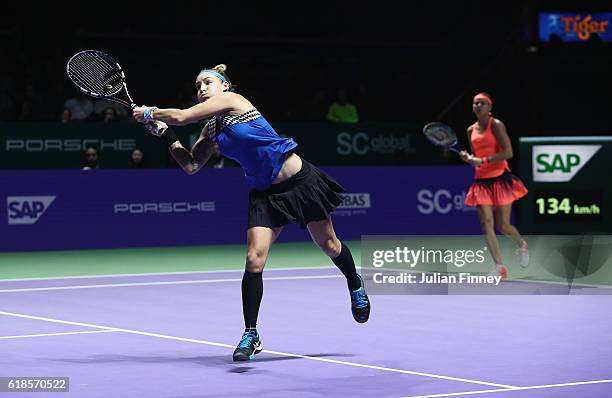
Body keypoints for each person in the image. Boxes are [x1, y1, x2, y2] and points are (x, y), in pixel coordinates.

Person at [132, 64, 370, 362]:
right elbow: (192, 165)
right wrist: (165, 134)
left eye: (207, 82)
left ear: (225, 87)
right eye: (197, 86)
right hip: (264, 194)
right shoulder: (212, 128)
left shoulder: (235, 102)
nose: (202, 89)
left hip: (299, 181)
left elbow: (182, 116)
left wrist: (151, 112)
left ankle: (355, 282)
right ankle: (251, 333)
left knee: (330, 245)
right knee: (253, 259)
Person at [459, 92, 529, 279]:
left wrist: (483, 159)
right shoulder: (470, 130)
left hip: (500, 178)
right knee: (485, 223)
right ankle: (499, 267)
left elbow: (508, 152)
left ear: (489, 107)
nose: (478, 106)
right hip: (481, 182)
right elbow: (476, 157)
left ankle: (521, 244)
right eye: (475, 103)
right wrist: (469, 159)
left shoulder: (496, 125)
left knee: (503, 225)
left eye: (482, 103)